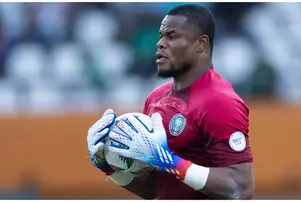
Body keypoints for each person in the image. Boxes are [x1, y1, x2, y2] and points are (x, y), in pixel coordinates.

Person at [87, 4, 254, 200]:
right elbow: (155, 189)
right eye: (161, 36)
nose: (160, 44)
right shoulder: (156, 98)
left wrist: (170, 162)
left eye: (172, 37)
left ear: (201, 44)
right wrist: (110, 167)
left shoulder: (221, 103)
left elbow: (240, 190)